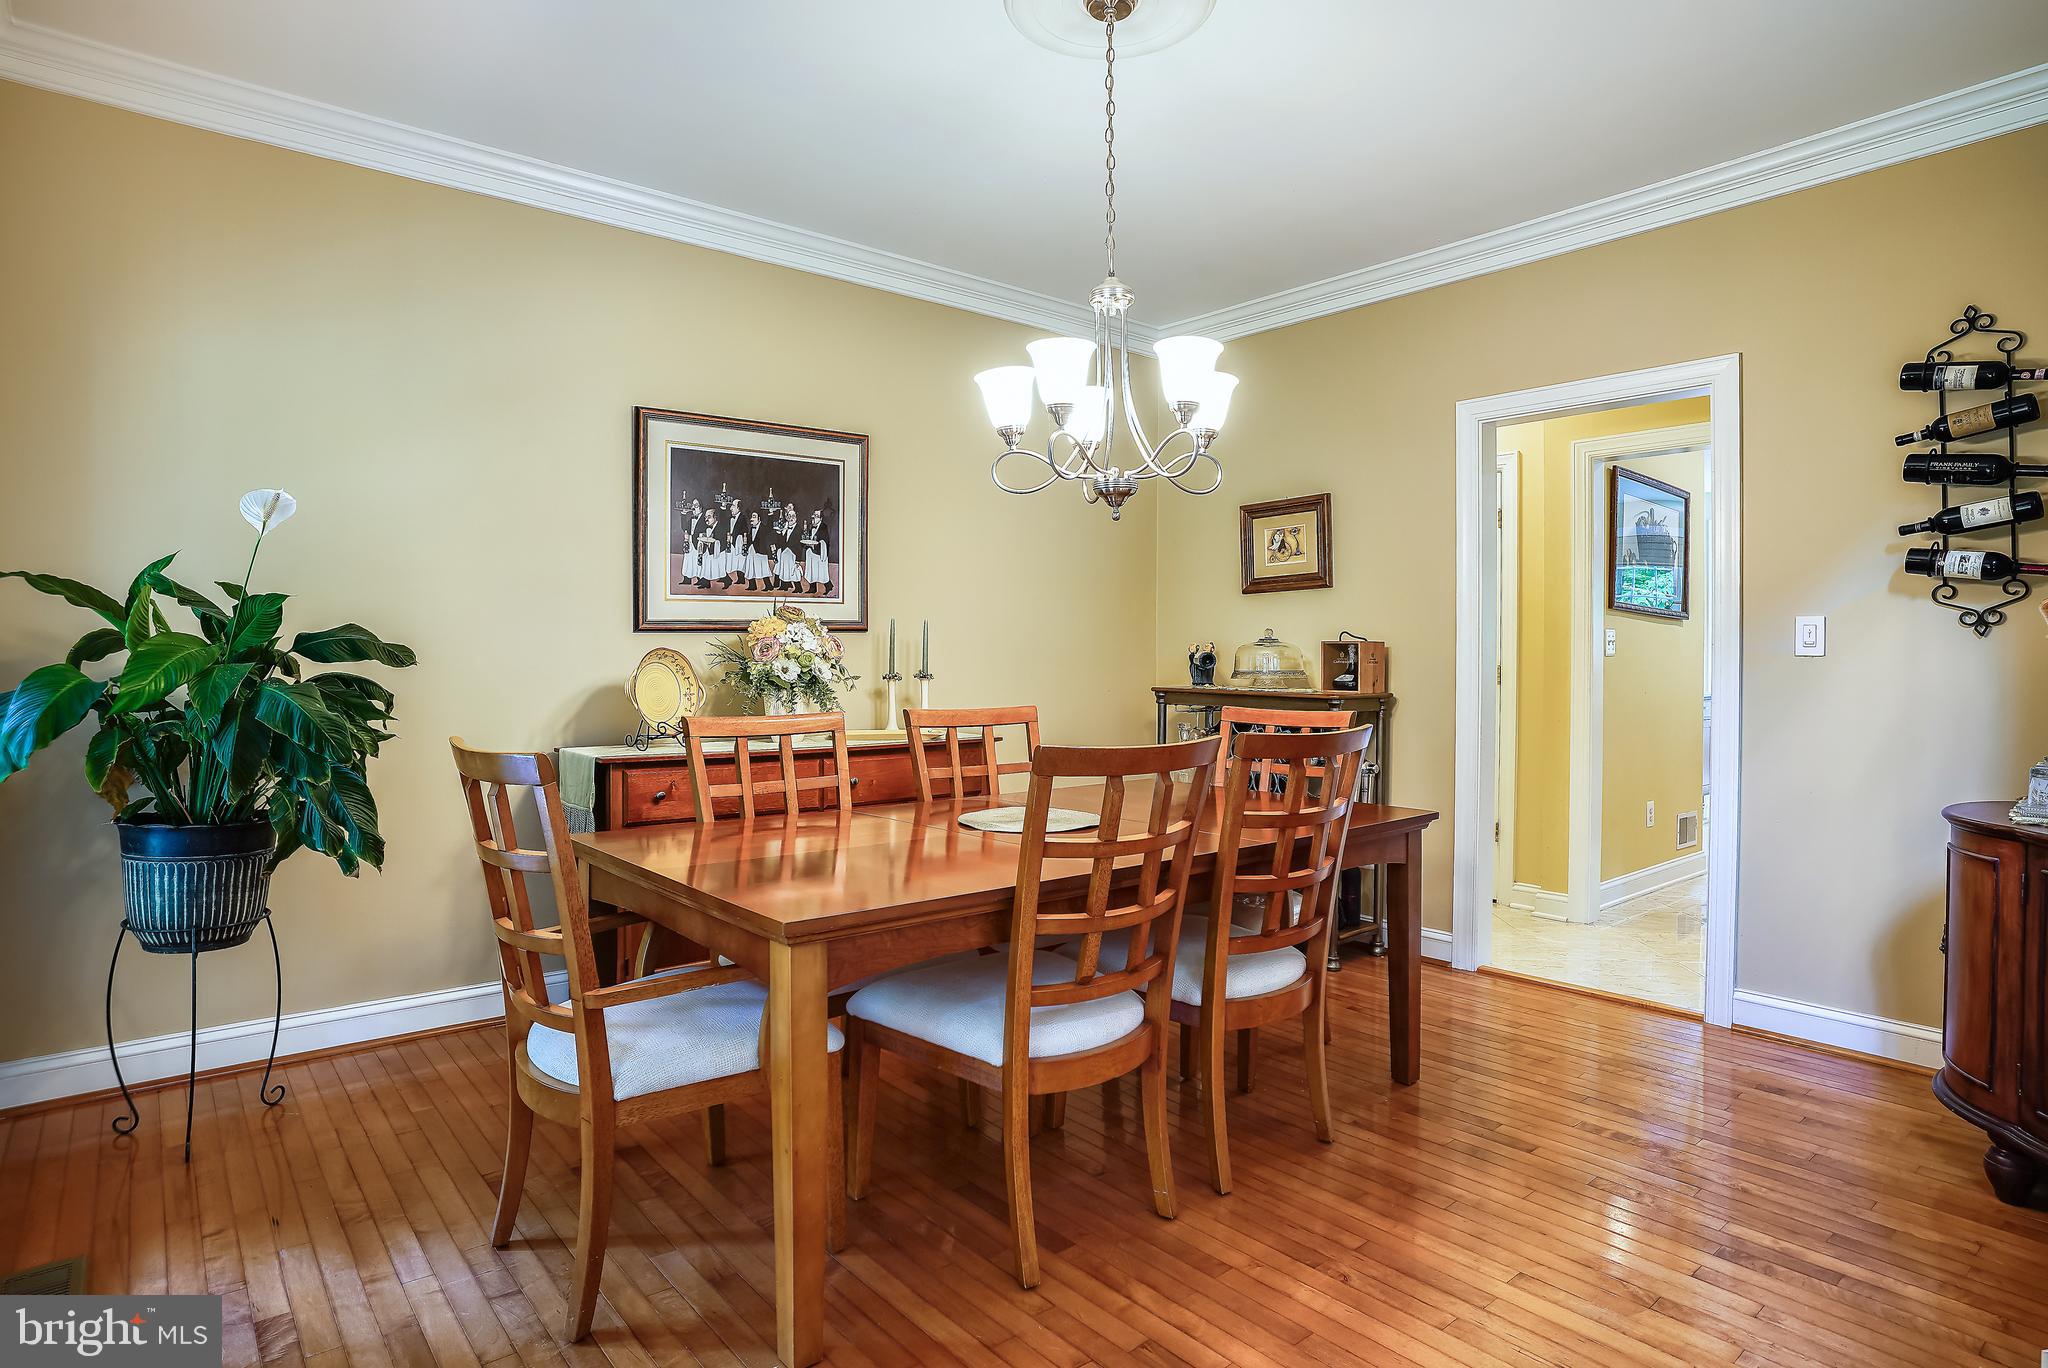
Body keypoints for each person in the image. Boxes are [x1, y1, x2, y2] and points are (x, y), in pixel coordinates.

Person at [802, 510, 832, 596]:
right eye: (814, 515)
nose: (814, 517)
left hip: (819, 553)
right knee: (812, 571)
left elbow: (824, 541)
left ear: (821, 518)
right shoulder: (811, 526)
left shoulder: (823, 527)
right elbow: (808, 537)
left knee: (821, 572)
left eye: (816, 516)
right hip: (811, 553)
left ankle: (828, 586)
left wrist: (815, 546)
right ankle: (812, 588)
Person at [773, 507, 801, 592]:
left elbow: (800, 546)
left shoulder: (799, 529)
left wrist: (798, 559)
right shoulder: (784, 527)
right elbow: (781, 541)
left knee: (794, 571)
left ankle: (798, 588)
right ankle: (784, 586)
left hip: (793, 553)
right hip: (784, 552)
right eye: (789, 516)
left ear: (796, 517)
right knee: (784, 569)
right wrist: (779, 533)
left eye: (793, 516)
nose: (791, 518)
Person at [742, 510, 772, 591]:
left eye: (754, 517)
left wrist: (771, 514)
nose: (752, 519)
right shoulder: (751, 528)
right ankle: (752, 585)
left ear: (759, 519)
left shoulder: (764, 527)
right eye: (751, 517)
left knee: (763, 569)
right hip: (751, 550)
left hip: (760, 552)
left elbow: (770, 527)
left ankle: (769, 586)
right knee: (750, 568)